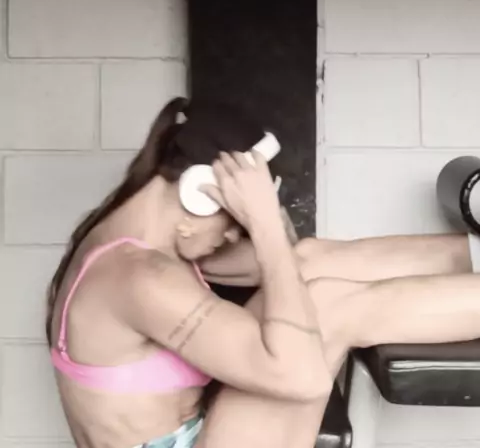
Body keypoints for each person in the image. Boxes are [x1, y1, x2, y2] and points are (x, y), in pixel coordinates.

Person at [47, 97, 480, 448]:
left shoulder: (133, 238)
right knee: (329, 305)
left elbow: (290, 259)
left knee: (309, 261)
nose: (232, 235)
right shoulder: (141, 278)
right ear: (198, 194)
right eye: (232, 222)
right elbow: (302, 377)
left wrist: (264, 216)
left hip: (198, 433)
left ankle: (472, 252)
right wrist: (263, 224)